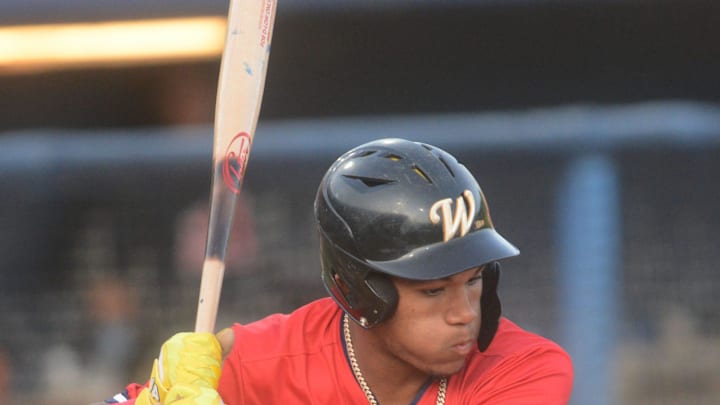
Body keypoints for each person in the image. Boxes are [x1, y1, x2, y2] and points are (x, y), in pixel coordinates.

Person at [105, 138, 573, 405]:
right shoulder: (267, 360)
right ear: (361, 291)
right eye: (434, 291)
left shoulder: (526, 369)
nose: (464, 314)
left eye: (472, 281)